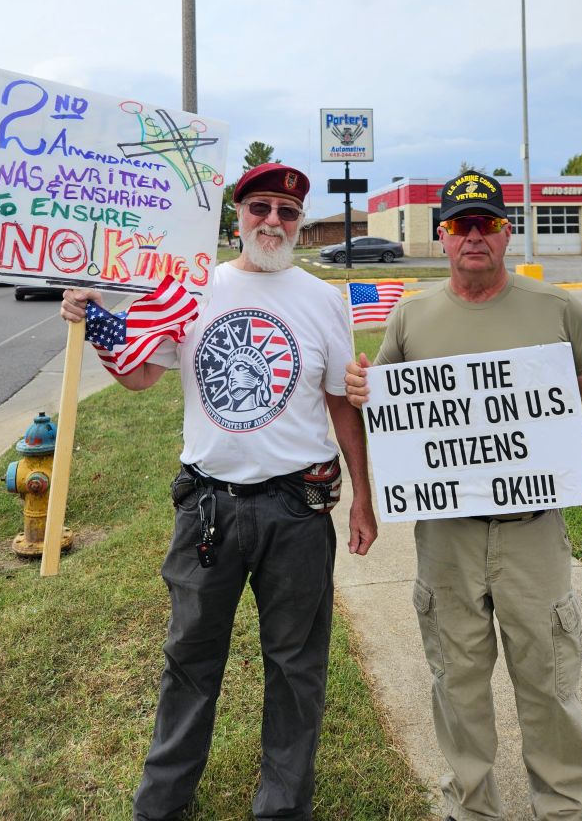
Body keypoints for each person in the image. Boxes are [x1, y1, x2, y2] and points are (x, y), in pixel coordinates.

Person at [61, 161, 378, 821]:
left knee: (296, 669)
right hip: (208, 509)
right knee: (189, 662)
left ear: (299, 225)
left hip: (297, 511)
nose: (273, 221)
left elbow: (340, 403)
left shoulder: (322, 301)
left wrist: (365, 497)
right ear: (237, 216)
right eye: (260, 207)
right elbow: (141, 375)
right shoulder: (190, 286)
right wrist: (97, 324)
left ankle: (282, 807)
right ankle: (162, 805)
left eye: (287, 213)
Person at [345, 171, 582, 821]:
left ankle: (564, 808)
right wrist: (363, 388)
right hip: (447, 535)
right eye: (460, 225)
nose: (474, 236)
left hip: (533, 529)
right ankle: (469, 810)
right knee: (458, 683)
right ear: (443, 237)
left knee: (550, 682)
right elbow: (380, 399)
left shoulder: (557, 310)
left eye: (487, 224)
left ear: (507, 232)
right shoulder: (411, 316)